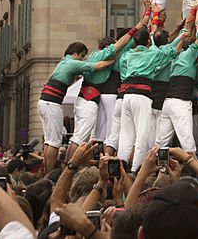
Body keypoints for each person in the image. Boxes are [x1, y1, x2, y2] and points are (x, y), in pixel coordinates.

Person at [116, 25, 186, 171]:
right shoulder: (152, 54)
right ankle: (136, 169)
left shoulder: (127, 55)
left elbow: (123, 70)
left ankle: (120, 168)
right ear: (148, 41)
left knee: (126, 134)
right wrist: (183, 36)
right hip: (141, 95)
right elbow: (173, 51)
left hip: (126, 95)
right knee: (142, 135)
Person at [38, 43, 115, 172]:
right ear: (75, 53)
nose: (83, 59)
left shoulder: (63, 63)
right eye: (82, 56)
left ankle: (48, 171)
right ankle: (49, 174)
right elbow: (97, 66)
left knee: (49, 141)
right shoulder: (72, 63)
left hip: (46, 102)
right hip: (52, 103)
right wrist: (113, 60)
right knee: (54, 143)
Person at [70, 22, 143, 158]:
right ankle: (107, 159)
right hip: (109, 94)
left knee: (97, 132)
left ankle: (96, 159)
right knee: (111, 132)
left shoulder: (94, 56)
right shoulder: (119, 55)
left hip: (97, 96)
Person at [155, 23, 198, 154]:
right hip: (180, 103)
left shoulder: (173, 58)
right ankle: (194, 169)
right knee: (188, 143)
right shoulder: (190, 55)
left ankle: (157, 168)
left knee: (161, 142)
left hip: (167, 103)